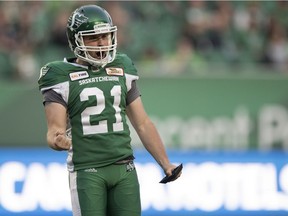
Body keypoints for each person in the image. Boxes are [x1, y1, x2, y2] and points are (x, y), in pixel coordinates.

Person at [38, 4, 181, 216]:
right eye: (94, 38)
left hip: (125, 168)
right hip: (88, 169)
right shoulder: (60, 75)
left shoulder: (122, 66)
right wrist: (61, 140)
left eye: (105, 36)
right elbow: (54, 131)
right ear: (76, 40)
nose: (102, 42)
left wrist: (165, 163)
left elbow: (142, 123)